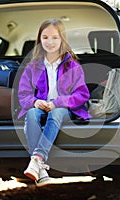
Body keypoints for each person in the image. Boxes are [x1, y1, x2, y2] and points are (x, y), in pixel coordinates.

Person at [17, 18, 91, 186]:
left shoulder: (72, 65)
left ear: (62, 39)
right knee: (31, 113)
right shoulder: (32, 66)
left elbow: (82, 94)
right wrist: (35, 102)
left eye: (55, 37)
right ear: (39, 40)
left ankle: (37, 158)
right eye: (45, 37)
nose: (50, 42)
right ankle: (40, 171)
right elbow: (23, 95)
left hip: (64, 108)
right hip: (41, 107)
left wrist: (58, 102)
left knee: (56, 113)